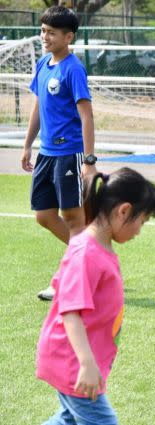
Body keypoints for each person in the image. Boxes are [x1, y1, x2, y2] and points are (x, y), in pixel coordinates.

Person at [0, 168, 155, 425]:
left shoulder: (99, 248)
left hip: (83, 361)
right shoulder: (86, 252)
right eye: (142, 221)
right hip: (72, 360)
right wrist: (87, 363)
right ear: (123, 211)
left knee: (71, 422)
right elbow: (71, 311)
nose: (140, 230)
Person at [21, 6, 97, 301]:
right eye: (43, 31)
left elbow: (87, 116)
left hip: (70, 153)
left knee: (73, 218)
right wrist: (28, 144)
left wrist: (89, 161)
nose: (45, 36)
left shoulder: (73, 68)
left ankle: (70, 276)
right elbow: (38, 106)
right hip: (46, 153)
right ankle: (89, 258)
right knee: (43, 215)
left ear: (69, 37)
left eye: (51, 32)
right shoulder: (42, 63)